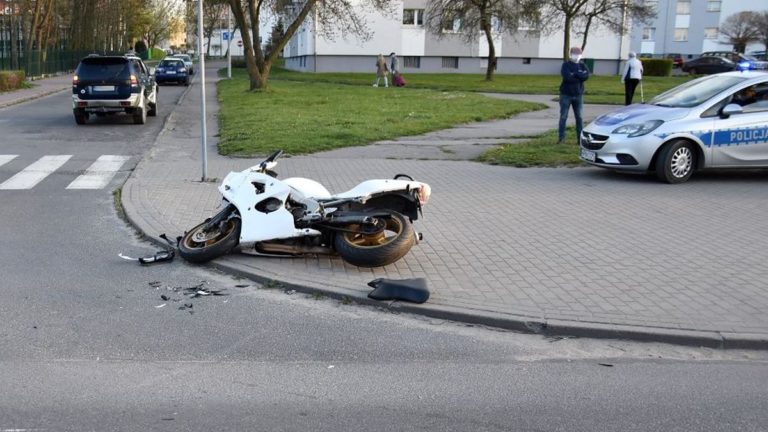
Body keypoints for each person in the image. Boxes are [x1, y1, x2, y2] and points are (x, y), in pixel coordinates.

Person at [558, 46, 590, 145]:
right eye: (575, 54)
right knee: (563, 117)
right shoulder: (566, 65)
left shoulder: (583, 65)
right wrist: (579, 75)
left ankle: (579, 139)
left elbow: (586, 76)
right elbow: (567, 77)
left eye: (578, 54)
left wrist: (575, 74)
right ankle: (561, 138)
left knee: (579, 118)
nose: (577, 56)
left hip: (578, 95)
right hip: (566, 94)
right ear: (571, 54)